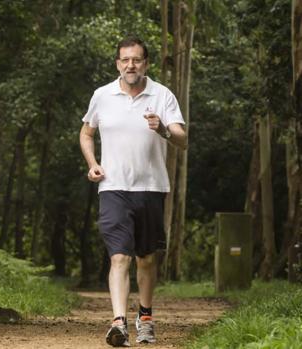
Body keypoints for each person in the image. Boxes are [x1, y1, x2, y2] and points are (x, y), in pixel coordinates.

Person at [79, 36, 187, 346]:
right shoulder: (102, 95)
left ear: (146, 64)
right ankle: (118, 322)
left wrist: (164, 129)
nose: (131, 65)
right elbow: (86, 133)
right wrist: (93, 163)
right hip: (112, 187)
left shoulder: (162, 95)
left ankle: (146, 316)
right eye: (125, 60)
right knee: (119, 257)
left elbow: (182, 138)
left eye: (136, 60)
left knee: (146, 258)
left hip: (151, 187)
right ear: (117, 63)